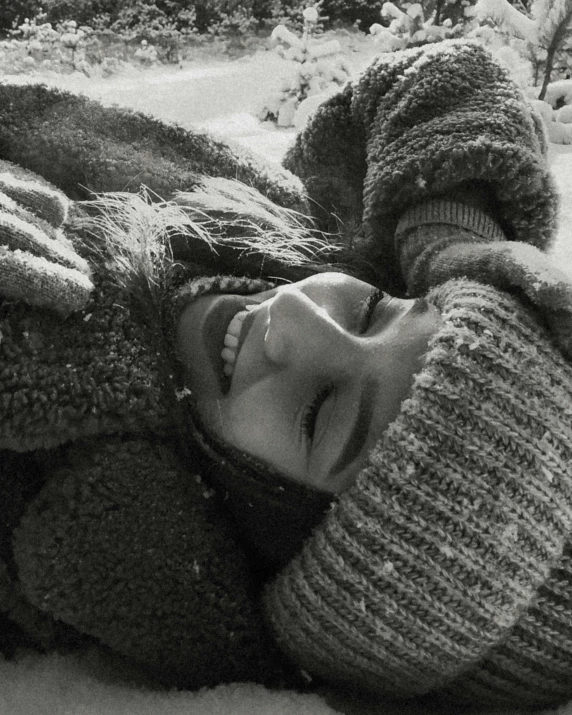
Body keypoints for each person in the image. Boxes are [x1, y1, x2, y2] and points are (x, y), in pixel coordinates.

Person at [1, 37, 572, 710]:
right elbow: (451, 72)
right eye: (370, 311)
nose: (298, 314)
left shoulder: (64, 492)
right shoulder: (305, 241)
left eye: (319, 413)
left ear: (284, 538)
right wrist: (447, 239)